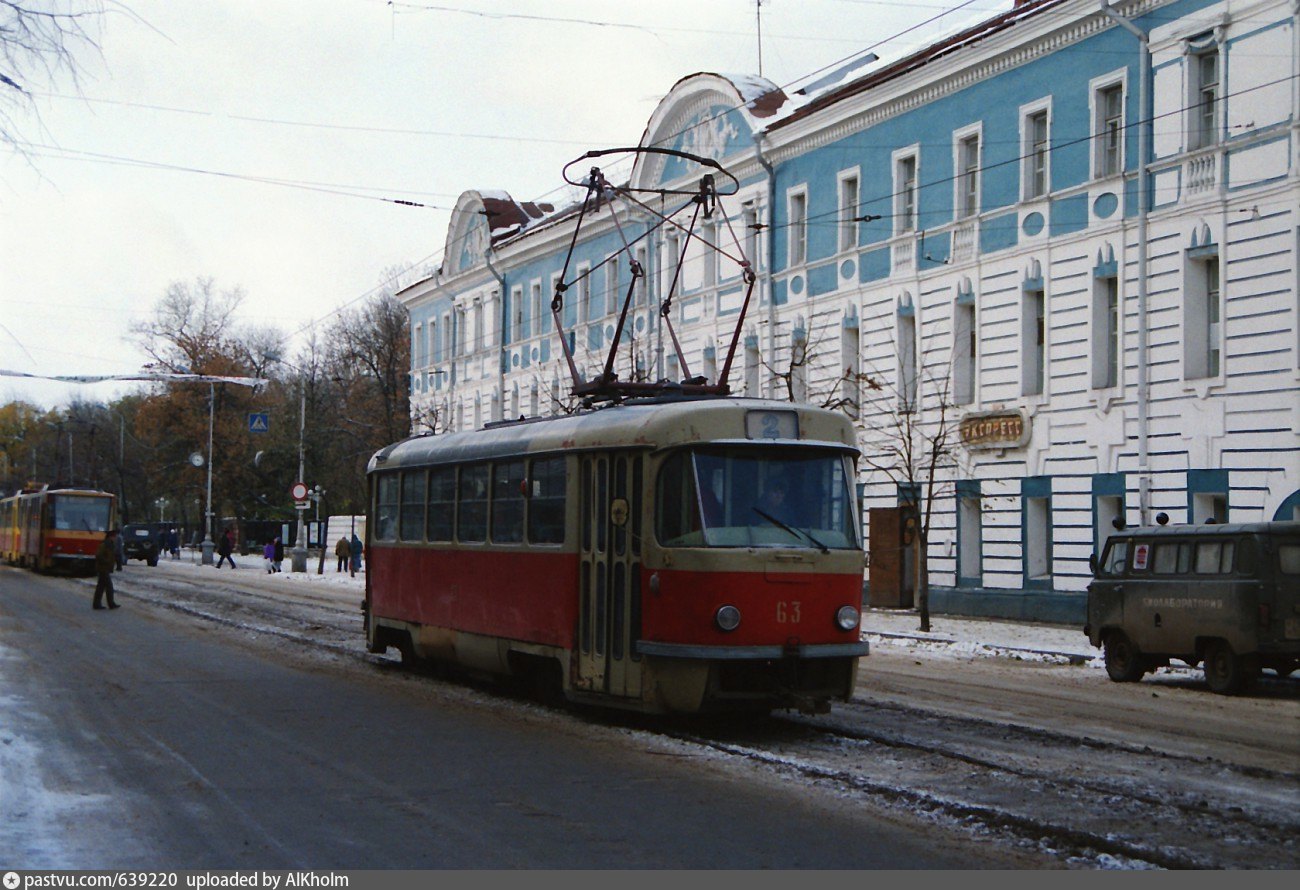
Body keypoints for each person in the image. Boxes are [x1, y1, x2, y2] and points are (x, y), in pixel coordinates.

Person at [93, 529, 120, 610]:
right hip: (103, 568)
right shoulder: (105, 545)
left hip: (105, 568)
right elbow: (98, 555)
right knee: (109, 586)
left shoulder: (110, 544)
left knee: (100, 587)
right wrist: (107, 561)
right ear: (111, 537)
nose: (115, 538)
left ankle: (97, 604)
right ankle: (111, 603)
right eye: (114, 536)